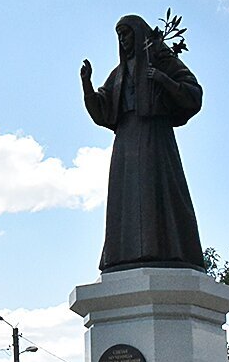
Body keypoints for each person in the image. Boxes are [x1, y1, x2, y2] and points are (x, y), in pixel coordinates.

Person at [80, 15, 204, 272]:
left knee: (156, 190)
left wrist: (162, 79)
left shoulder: (163, 61)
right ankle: (122, 256)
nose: (123, 40)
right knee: (125, 197)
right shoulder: (119, 73)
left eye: (126, 34)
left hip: (154, 137)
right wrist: (87, 85)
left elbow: (193, 93)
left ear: (139, 34)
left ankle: (164, 250)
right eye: (119, 36)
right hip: (125, 140)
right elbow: (103, 108)